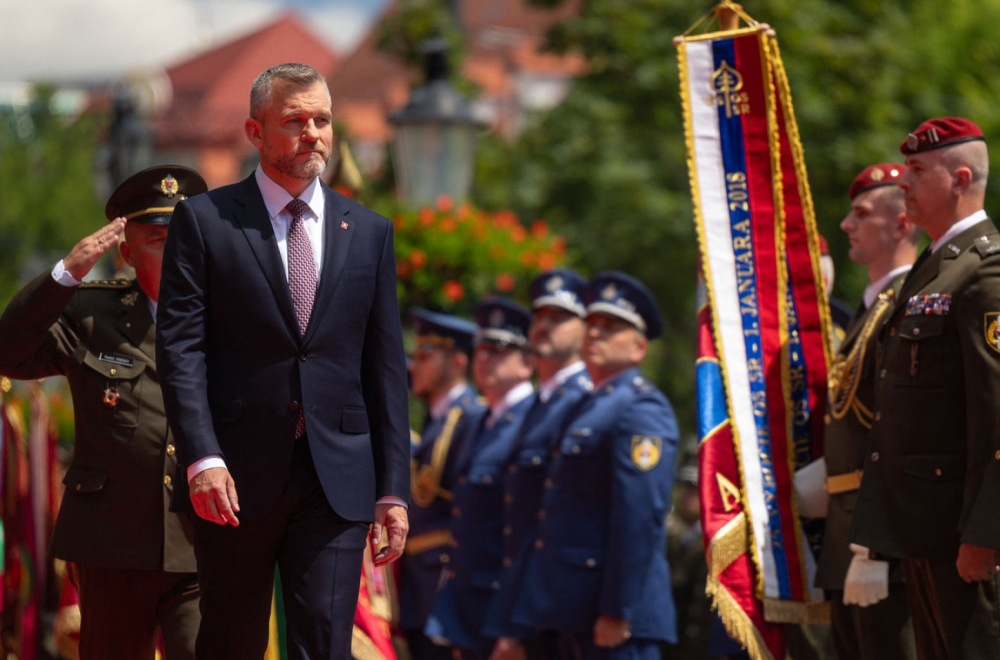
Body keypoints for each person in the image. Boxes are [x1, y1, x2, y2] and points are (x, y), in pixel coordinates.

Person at [156, 63, 410, 660]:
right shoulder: (206, 220)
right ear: (255, 131)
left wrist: (393, 488)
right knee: (230, 643)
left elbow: (386, 366)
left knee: (325, 646)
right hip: (234, 479)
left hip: (338, 478)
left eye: (322, 120)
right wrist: (202, 457)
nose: (313, 133)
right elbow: (181, 348)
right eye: (294, 121)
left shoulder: (369, 231)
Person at [0, 165, 207, 659]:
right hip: (111, 544)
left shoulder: (234, 319)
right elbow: (9, 353)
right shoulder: (92, 314)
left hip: (201, 543)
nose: (176, 252)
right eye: (158, 240)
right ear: (128, 253)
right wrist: (65, 274)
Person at [849, 117, 1000, 659]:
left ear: (960, 180)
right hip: (922, 527)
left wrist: (986, 532)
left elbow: (997, 413)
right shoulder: (937, 267)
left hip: (963, 534)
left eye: (916, 170)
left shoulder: (986, 270)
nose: (904, 184)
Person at [511, 272, 679, 660]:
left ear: (639, 348)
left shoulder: (642, 407)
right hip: (572, 607)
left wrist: (618, 608)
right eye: (593, 325)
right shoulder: (586, 404)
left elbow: (639, 514)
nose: (596, 334)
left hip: (615, 615)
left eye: (612, 327)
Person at [816, 163, 918, 660]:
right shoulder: (871, 305)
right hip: (847, 535)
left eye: (861, 214)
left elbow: (902, 431)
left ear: (901, 225)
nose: (846, 225)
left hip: (879, 543)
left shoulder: (909, 303)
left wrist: (876, 547)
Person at [485, 269, 592, 660]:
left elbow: (555, 522)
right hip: (525, 602)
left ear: (585, 330)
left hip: (555, 607)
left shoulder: (583, 400)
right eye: (540, 315)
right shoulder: (541, 403)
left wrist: (518, 624)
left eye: (560, 317)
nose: (545, 324)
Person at [426, 298, 536, 660]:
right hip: (467, 603)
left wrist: (515, 625)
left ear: (527, 363)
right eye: (481, 349)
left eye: (500, 350)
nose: (486, 358)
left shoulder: (534, 421)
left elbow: (529, 531)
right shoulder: (475, 422)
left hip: (505, 605)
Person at [403, 308, 485, 660]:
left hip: (444, 583)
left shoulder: (470, 418)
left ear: (457, 363)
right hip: (418, 584)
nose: (413, 365)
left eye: (425, 355)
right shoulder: (437, 425)